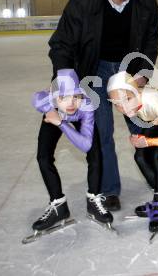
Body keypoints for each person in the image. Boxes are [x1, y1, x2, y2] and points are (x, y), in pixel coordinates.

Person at [48, 0, 158, 212]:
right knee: (102, 131)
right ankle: (109, 188)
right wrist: (64, 79)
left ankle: (157, 178)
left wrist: (143, 71)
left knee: (143, 126)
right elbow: (61, 44)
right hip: (93, 70)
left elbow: (152, 36)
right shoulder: (83, 4)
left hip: (129, 70)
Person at [29, 69, 112, 233]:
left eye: (76, 96)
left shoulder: (86, 106)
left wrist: (61, 123)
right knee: (43, 157)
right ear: (54, 98)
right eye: (64, 97)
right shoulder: (46, 103)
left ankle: (93, 199)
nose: (71, 103)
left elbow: (85, 145)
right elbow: (36, 98)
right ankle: (58, 205)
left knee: (95, 153)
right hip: (53, 114)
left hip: (70, 118)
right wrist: (53, 113)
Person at [107, 71, 158, 234]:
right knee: (140, 156)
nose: (123, 107)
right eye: (116, 103)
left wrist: (148, 141)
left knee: (156, 156)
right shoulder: (135, 101)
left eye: (127, 99)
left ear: (136, 92)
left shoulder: (152, 100)